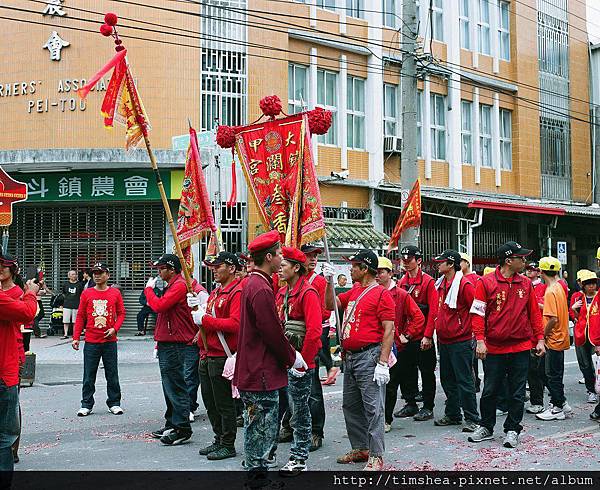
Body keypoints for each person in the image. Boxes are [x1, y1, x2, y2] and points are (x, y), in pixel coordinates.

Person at [234, 230, 306, 483]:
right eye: (278, 255)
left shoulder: (253, 284)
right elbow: (271, 332)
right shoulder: (261, 288)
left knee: (255, 427)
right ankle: (257, 476)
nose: (281, 259)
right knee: (263, 429)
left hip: (254, 369)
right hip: (262, 371)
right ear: (268, 257)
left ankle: (255, 471)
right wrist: (292, 356)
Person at [468, 241, 545, 448]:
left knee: (517, 391)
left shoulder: (526, 283)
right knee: (490, 389)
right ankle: (486, 426)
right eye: (521, 258)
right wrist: (481, 341)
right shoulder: (485, 282)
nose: (525, 261)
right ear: (509, 260)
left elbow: (534, 314)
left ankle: (513, 429)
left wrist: (539, 339)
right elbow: (477, 314)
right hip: (493, 347)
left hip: (520, 347)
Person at [325, 250, 395, 471]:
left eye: (354, 265)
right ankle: (361, 447)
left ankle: (376, 455)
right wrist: (328, 282)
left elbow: (389, 329)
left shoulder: (382, 294)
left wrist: (383, 363)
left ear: (365, 269)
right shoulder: (354, 291)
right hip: (351, 357)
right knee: (351, 405)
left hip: (370, 356)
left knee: (373, 408)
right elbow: (330, 304)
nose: (350, 269)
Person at [145, 254, 206, 445]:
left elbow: (159, 306)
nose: (158, 272)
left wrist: (148, 290)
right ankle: (172, 421)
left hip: (176, 342)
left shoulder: (179, 285)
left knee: (176, 385)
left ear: (171, 269)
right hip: (168, 340)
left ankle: (181, 428)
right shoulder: (174, 284)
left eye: (161, 268)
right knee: (169, 384)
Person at [188, 252, 243, 461]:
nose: (213, 269)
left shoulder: (237, 292)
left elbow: (235, 324)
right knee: (210, 403)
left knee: (224, 404)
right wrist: (197, 308)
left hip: (223, 356)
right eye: (212, 266)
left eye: (218, 265)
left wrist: (205, 319)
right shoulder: (216, 292)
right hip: (207, 354)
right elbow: (207, 319)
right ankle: (219, 438)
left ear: (231, 268)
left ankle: (228, 444)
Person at [275, 247, 322, 475]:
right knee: (281, 408)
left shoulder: (308, 293)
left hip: (301, 363)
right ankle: (271, 450)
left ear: (296, 268)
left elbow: (314, 332)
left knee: (300, 413)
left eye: (284, 265)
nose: (280, 268)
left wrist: (304, 363)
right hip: (284, 361)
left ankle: (299, 457)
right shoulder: (283, 292)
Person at [431, 250, 479, 432]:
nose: (437, 264)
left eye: (441, 262)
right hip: (444, 339)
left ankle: (472, 418)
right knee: (447, 379)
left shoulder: (464, 284)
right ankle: (453, 414)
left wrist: (476, 334)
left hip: (461, 340)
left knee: (465, 380)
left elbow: (476, 309)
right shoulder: (442, 283)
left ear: (451, 264)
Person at [0, 253, 38, 477]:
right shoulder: (14, 296)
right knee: (5, 430)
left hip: (12, 356)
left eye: (4, 266)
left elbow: (29, 319)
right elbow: (26, 312)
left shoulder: (15, 292)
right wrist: (30, 295)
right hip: (5, 367)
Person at [72, 262, 125, 416]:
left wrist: (115, 328)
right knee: (89, 374)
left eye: (100, 273)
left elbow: (121, 313)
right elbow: (81, 316)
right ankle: (86, 404)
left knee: (112, 373)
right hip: (91, 341)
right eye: (94, 273)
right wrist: (76, 337)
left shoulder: (115, 293)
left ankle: (114, 403)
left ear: (108, 275)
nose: (97, 275)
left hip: (110, 342)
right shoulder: (87, 293)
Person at [395, 245, 438, 422]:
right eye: (404, 259)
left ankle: (428, 406)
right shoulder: (401, 283)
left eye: (410, 259)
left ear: (418, 260)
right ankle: (410, 402)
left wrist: (428, 335)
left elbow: (433, 311)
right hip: (406, 335)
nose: (406, 262)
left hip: (422, 335)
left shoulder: (428, 282)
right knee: (406, 370)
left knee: (427, 371)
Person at [383, 258, 425, 433]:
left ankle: (386, 419)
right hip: (371, 347)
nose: (377, 275)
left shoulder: (400, 294)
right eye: (374, 271)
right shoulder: (367, 291)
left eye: (381, 271)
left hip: (394, 348)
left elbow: (418, 317)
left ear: (390, 273)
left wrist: (407, 334)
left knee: (390, 386)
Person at [536, 257, 572, 421]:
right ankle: (561, 402)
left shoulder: (550, 291)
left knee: (552, 375)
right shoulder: (559, 287)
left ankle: (558, 407)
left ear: (541, 272)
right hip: (561, 336)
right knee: (553, 372)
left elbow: (553, 319)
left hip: (553, 338)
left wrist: (542, 336)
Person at [572, 270, 599, 404]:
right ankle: (591, 391)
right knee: (585, 365)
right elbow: (577, 318)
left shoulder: (598, 297)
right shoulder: (579, 298)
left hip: (596, 338)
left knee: (597, 365)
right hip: (581, 336)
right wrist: (574, 309)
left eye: (593, 283)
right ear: (583, 285)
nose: (591, 286)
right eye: (588, 284)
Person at [524, 261, 547, 415]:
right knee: (526, 371)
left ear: (539, 272)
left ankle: (538, 402)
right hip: (524, 333)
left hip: (536, 333)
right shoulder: (525, 285)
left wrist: (532, 303)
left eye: (533, 270)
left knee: (536, 372)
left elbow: (546, 307)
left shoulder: (543, 288)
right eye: (528, 270)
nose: (529, 272)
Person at [61, 270, 84, 339]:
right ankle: (65, 334)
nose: (74, 276)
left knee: (75, 321)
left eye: (75, 274)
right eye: (72, 274)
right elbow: (63, 293)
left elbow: (81, 294)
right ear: (69, 276)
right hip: (67, 305)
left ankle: (75, 334)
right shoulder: (65, 284)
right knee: (66, 320)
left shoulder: (79, 284)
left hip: (76, 304)